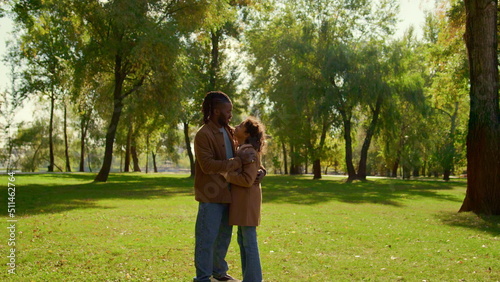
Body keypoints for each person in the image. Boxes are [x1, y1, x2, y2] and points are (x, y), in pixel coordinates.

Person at [193, 91, 256, 282]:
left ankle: (219, 273)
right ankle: (203, 278)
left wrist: (260, 170)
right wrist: (237, 161)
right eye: (227, 111)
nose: (230, 115)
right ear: (215, 110)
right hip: (210, 196)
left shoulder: (229, 131)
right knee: (206, 240)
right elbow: (209, 166)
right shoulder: (203, 135)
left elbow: (249, 153)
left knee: (223, 239)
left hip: (230, 195)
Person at [223, 117, 266, 282]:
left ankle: (254, 279)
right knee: (244, 240)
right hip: (245, 202)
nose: (236, 126)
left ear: (247, 133)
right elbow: (256, 169)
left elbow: (247, 180)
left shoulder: (246, 150)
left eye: (241, 126)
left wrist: (227, 175)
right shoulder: (244, 148)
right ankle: (250, 278)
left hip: (246, 202)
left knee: (248, 241)